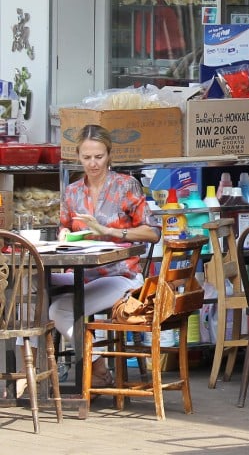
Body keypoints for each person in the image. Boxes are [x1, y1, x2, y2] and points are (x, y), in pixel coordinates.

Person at [49, 125, 160, 388]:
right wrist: (64, 233)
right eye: (87, 157)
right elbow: (64, 225)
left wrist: (109, 230)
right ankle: (32, 377)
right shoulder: (72, 191)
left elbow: (153, 232)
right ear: (78, 156)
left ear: (109, 155)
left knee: (58, 310)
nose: (93, 163)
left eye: (98, 157)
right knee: (37, 299)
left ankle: (98, 367)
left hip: (121, 275)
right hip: (82, 274)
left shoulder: (125, 185)